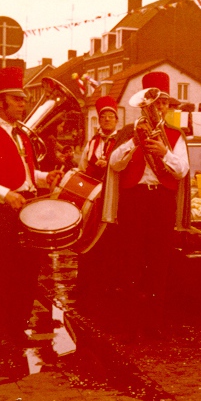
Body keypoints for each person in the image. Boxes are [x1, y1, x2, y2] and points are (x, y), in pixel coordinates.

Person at [0, 67, 63, 347]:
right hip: (0, 213)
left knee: (26, 273)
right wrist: (4, 194)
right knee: (0, 274)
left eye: (23, 99)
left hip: (25, 209)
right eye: (17, 99)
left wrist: (44, 177)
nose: (23, 103)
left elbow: (24, 174)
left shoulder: (21, 135)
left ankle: (17, 329)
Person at [107, 71, 189, 338]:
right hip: (134, 199)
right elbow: (114, 164)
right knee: (130, 262)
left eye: (163, 102)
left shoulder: (175, 135)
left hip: (161, 200)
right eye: (154, 102)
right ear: (144, 104)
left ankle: (154, 324)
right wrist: (134, 141)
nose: (159, 107)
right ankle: (130, 324)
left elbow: (182, 170)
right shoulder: (128, 132)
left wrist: (164, 152)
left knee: (159, 263)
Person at [75, 96, 120, 303]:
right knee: (88, 239)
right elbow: (82, 168)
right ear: (99, 120)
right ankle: (86, 285)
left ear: (116, 120)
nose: (107, 120)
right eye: (104, 117)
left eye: (111, 116)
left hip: (113, 199)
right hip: (93, 200)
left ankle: (108, 286)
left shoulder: (122, 142)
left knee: (110, 243)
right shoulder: (92, 142)